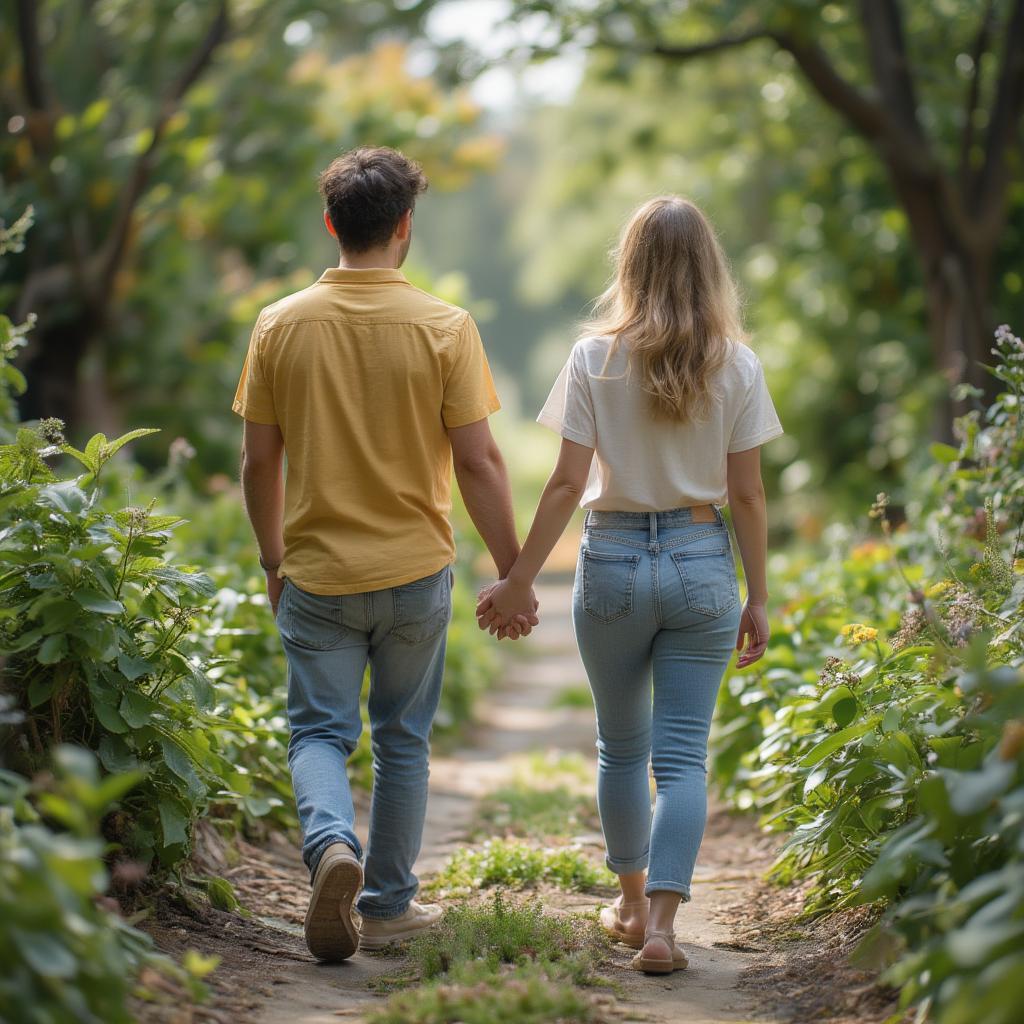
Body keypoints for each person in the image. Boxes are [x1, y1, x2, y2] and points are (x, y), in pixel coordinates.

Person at [233, 146, 536, 962]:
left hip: (318, 573)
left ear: (332, 223)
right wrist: (513, 572)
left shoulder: (279, 325)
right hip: (413, 574)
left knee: (318, 737)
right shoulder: (445, 327)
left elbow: (261, 462)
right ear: (406, 226)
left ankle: (331, 843)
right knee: (403, 739)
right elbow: (478, 462)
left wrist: (272, 559)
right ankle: (390, 902)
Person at [477, 195, 783, 975]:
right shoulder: (737, 364)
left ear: (630, 265)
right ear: (710, 268)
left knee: (621, 747)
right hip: (701, 560)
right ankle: (665, 930)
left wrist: (516, 580)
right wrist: (758, 593)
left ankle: (630, 901)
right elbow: (747, 495)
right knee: (681, 758)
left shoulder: (594, 357)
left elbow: (562, 484)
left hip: (610, 559)